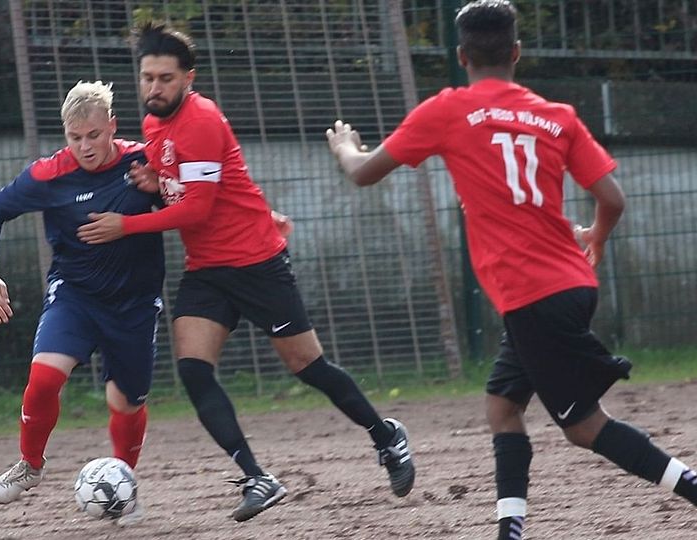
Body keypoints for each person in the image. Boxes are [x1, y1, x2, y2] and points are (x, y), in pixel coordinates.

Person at [325, 1, 697, 538]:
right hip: (563, 286)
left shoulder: (448, 110)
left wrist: (345, 146)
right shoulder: (557, 116)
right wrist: (596, 235)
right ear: (517, 52)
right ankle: (510, 529)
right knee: (502, 407)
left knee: (585, 428)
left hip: (533, 294)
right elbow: (612, 198)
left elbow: (363, 174)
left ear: (461, 55)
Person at [76, 21, 415, 522]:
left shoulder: (202, 120)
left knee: (308, 368)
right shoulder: (153, 125)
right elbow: (180, 186)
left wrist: (126, 224)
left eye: (165, 78)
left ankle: (387, 439)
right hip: (208, 268)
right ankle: (258, 476)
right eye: (147, 77)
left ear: (188, 78)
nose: (154, 88)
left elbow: (197, 209)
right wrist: (153, 180)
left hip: (256, 261)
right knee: (193, 370)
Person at [0, 81, 164, 525]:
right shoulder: (49, 173)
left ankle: (125, 484)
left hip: (135, 304)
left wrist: (159, 187)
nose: (85, 147)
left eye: (94, 135)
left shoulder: (144, 160)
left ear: (112, 127)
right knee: (42, 379)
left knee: (126, 402)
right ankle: (30, 465)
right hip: (75, 297)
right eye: (75, 137)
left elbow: (193, 198)